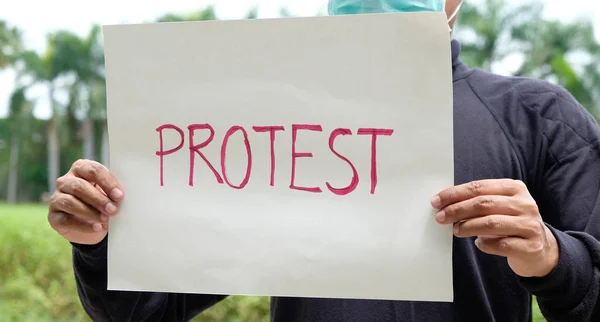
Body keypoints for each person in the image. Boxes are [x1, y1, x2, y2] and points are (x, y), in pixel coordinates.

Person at [47, 0, 600, 321]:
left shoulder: (537, 118)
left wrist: (551, 255)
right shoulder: (261, 131)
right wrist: (100, 243)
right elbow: (142, 311)